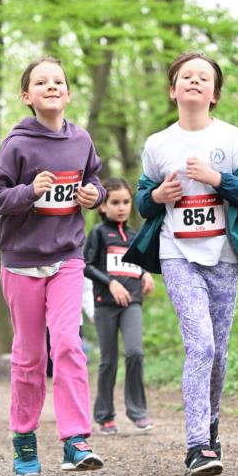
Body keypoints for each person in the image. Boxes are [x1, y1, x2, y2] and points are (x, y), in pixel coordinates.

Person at [124, 51, 238, 476]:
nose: (193, 81)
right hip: (177, 254)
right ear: (172, 90)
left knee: (219, 354)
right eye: (185, 76)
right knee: (201, 346)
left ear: (214, 93)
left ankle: (209, 429)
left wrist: (217, 179)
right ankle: (196, 447)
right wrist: (156, 198)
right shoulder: (158, 144)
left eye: (203, 77)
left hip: (223, 256)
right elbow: (140, 202)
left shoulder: (231, 139)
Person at [0, 56, 106, 476]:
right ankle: (24, 438)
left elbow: (95, 179)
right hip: (22, 262)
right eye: (41, 82)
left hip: (68, 257)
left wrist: (93, 194)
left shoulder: (81, 140)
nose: (51, 87)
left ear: (68, 93)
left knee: (68, 343)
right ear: (27, 97)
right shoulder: (17, 145)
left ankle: (76, 439)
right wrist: (27, 192)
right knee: (30, 356)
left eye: (58, 81)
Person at [84, 177, 155, 434]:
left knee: (135, 352)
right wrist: (111, 283)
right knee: (108, 360)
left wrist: (146, 274)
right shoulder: (98, 234)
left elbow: (140, 261)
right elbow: (86, 265)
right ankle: (104, 416)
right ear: (103, 206)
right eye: (115, 202)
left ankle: (137, 411)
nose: (121, 207)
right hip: (106, 304)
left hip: (132, 303)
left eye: (126, 202)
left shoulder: (135, 235)